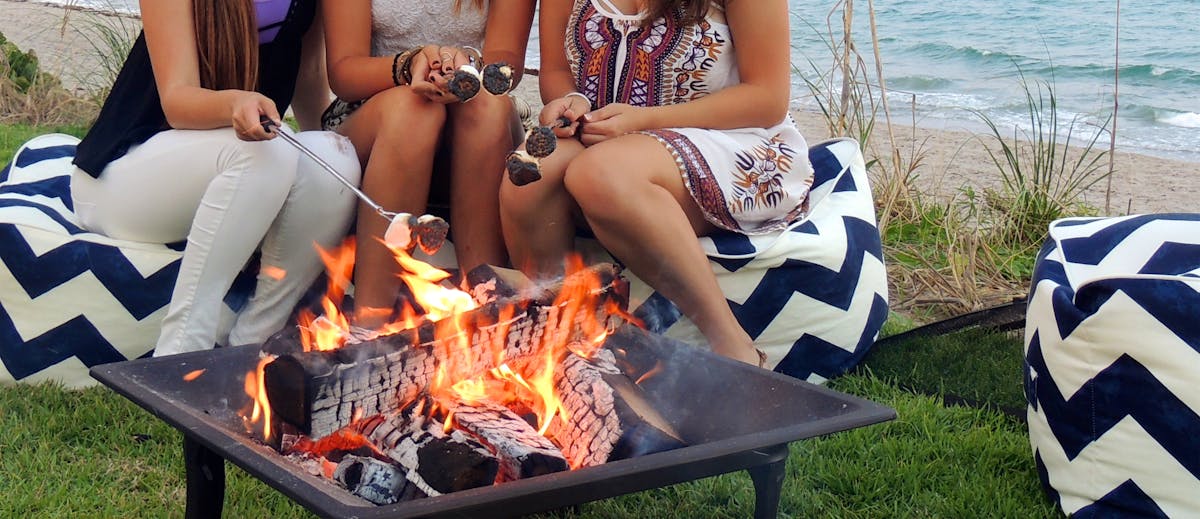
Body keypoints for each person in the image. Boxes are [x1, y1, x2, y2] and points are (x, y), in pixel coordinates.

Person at [500, 0, 813, 366]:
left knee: (602, 174)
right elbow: (556, 70)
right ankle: (552, 345)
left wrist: (646, 121)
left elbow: (767, 97)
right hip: (608, 139)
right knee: (531, 174)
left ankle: (735, 347)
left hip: (731, 141)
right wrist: (571, 102)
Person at [70, 0, 362, 356]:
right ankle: (178, 355)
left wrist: (328, 186)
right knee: (266, 153)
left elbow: (311, 82)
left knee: (336, 156)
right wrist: (234, 104)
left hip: (227, 177)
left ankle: (252, 346)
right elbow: (177, 100)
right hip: (119, 181)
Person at [320, 0, 536, 330]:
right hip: (377, 106)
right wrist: (410, 66)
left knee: (487, 107)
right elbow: (344, 72)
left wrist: (465, 68)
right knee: (415, 109)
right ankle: (370, 324)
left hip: (472, 103)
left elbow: (506, 62)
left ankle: (484, 308)